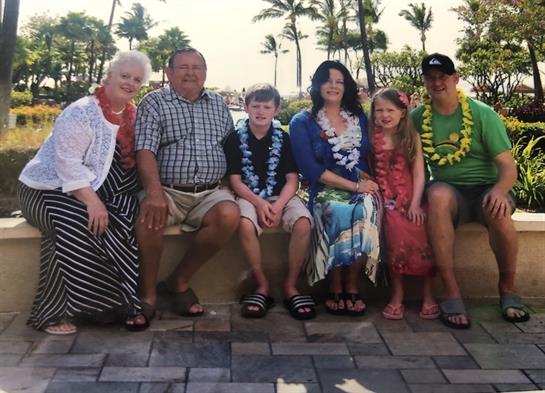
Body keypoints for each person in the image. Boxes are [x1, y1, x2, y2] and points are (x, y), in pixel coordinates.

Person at [17, 50, 152, 335]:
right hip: (44, 188)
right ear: (109, 76)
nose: (129, 83)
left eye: (136, 79)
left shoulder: (133, 117)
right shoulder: (81, 112)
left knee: (117, 222)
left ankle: (107, 307)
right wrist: (93, 202)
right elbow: (67, 164)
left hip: (85, 193)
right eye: (124, 75)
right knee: (75, 223)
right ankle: (54, 314)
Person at [411, 53, 530, 329]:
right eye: (431, 78)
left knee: (499, 213)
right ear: (425, 82)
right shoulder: (418, 118)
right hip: (449, 190)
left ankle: (508, 291)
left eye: (443, 77)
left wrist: (500, 190)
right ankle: (452, 294)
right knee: (437, 196)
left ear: (455, 79)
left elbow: (508, 167)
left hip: (488, 187)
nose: (437, 82)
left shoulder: (482, 113)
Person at [135, 48, 239, 317]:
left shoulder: (218, 104)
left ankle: (178, 282)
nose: (191, 72)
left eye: (197, 67)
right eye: (183, 67)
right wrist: (154, 193)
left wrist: (228, 185)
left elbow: (230, 147)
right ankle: (147, 294)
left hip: (209, 191)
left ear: (205, 73)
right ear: (169, 73)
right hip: (168, 190)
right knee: (149, 217)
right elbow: (145, 149)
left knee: (229, 215)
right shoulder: (154, 102)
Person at [289, 60, 382, 317]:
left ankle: (351, 283)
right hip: (323, 188)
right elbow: (310, 169)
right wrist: (353, 185)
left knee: (366, 208)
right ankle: (335, 283)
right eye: (328, 80)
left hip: (359, 184)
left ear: (347, 86)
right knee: (334, 210)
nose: (333, 85)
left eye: (339, 81)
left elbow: (365, 157)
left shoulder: (358, 118)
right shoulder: (302, 122)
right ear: (318, 85)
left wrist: (368, 183)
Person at [223, 83, 315, 320]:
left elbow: (292, 180)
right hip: (248, 195)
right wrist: (261, 204)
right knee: (244, 223)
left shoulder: (282, 138)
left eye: (267, 107)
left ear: (276, 110)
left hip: (281, 196)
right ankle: (262, 284)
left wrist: (279, 205)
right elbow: (236, 181)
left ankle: (291, 285)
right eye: (256, 106)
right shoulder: (235, 139)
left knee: (303, 222)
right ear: (245, 108)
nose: (261, 111)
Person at [369, 87, 439, 320]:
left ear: (402, 112)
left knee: (422, 234)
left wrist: (416, 203)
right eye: (379, 110)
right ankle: (397, 295)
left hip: (411, 198)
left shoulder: (411, 137)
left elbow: (419, 173)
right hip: (384, 199)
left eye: (390, 110)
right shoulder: (371, 138)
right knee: (394, 233)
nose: (384, 115)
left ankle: (428, 295)